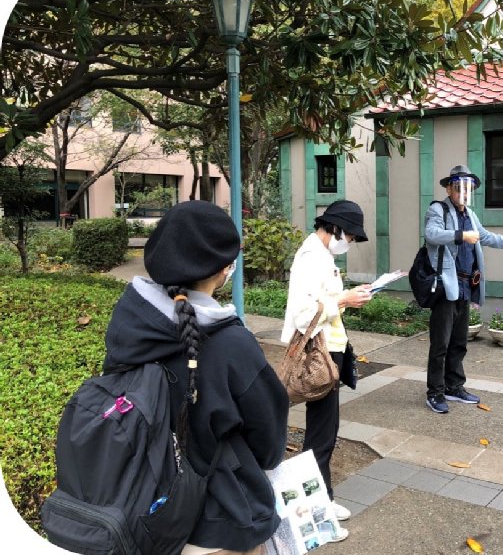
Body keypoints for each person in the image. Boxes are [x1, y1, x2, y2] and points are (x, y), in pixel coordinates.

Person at [103, 200, 289, 555]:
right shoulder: (232, 345)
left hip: (138, 510)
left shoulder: (129, 322)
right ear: (223, 269)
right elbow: (268, 443)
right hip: (216, 523)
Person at [281, 199, 372, 541]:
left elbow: (324, 301)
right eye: (350, 235)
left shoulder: (322, 255)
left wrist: (348, 296)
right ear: (334, 228)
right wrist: (344, 300)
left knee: (326, 430)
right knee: (321, 434)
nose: (350, 241)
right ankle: (317, 511)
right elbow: (305, 313)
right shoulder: (311, 257)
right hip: (320, 353)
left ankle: (325, 497)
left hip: (331, 349)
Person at [424, 164, 503, 414]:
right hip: (446, 285)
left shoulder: (470, 214)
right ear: (449, 189)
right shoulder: (438, 209)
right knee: (440, 344)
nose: (464, 193)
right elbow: (431, 234)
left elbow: (485, 236)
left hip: (466, 286)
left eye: (468, 189)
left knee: (459, 342)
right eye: (459, 188)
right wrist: (461, 236)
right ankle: (435, 393)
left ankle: (454, 387)